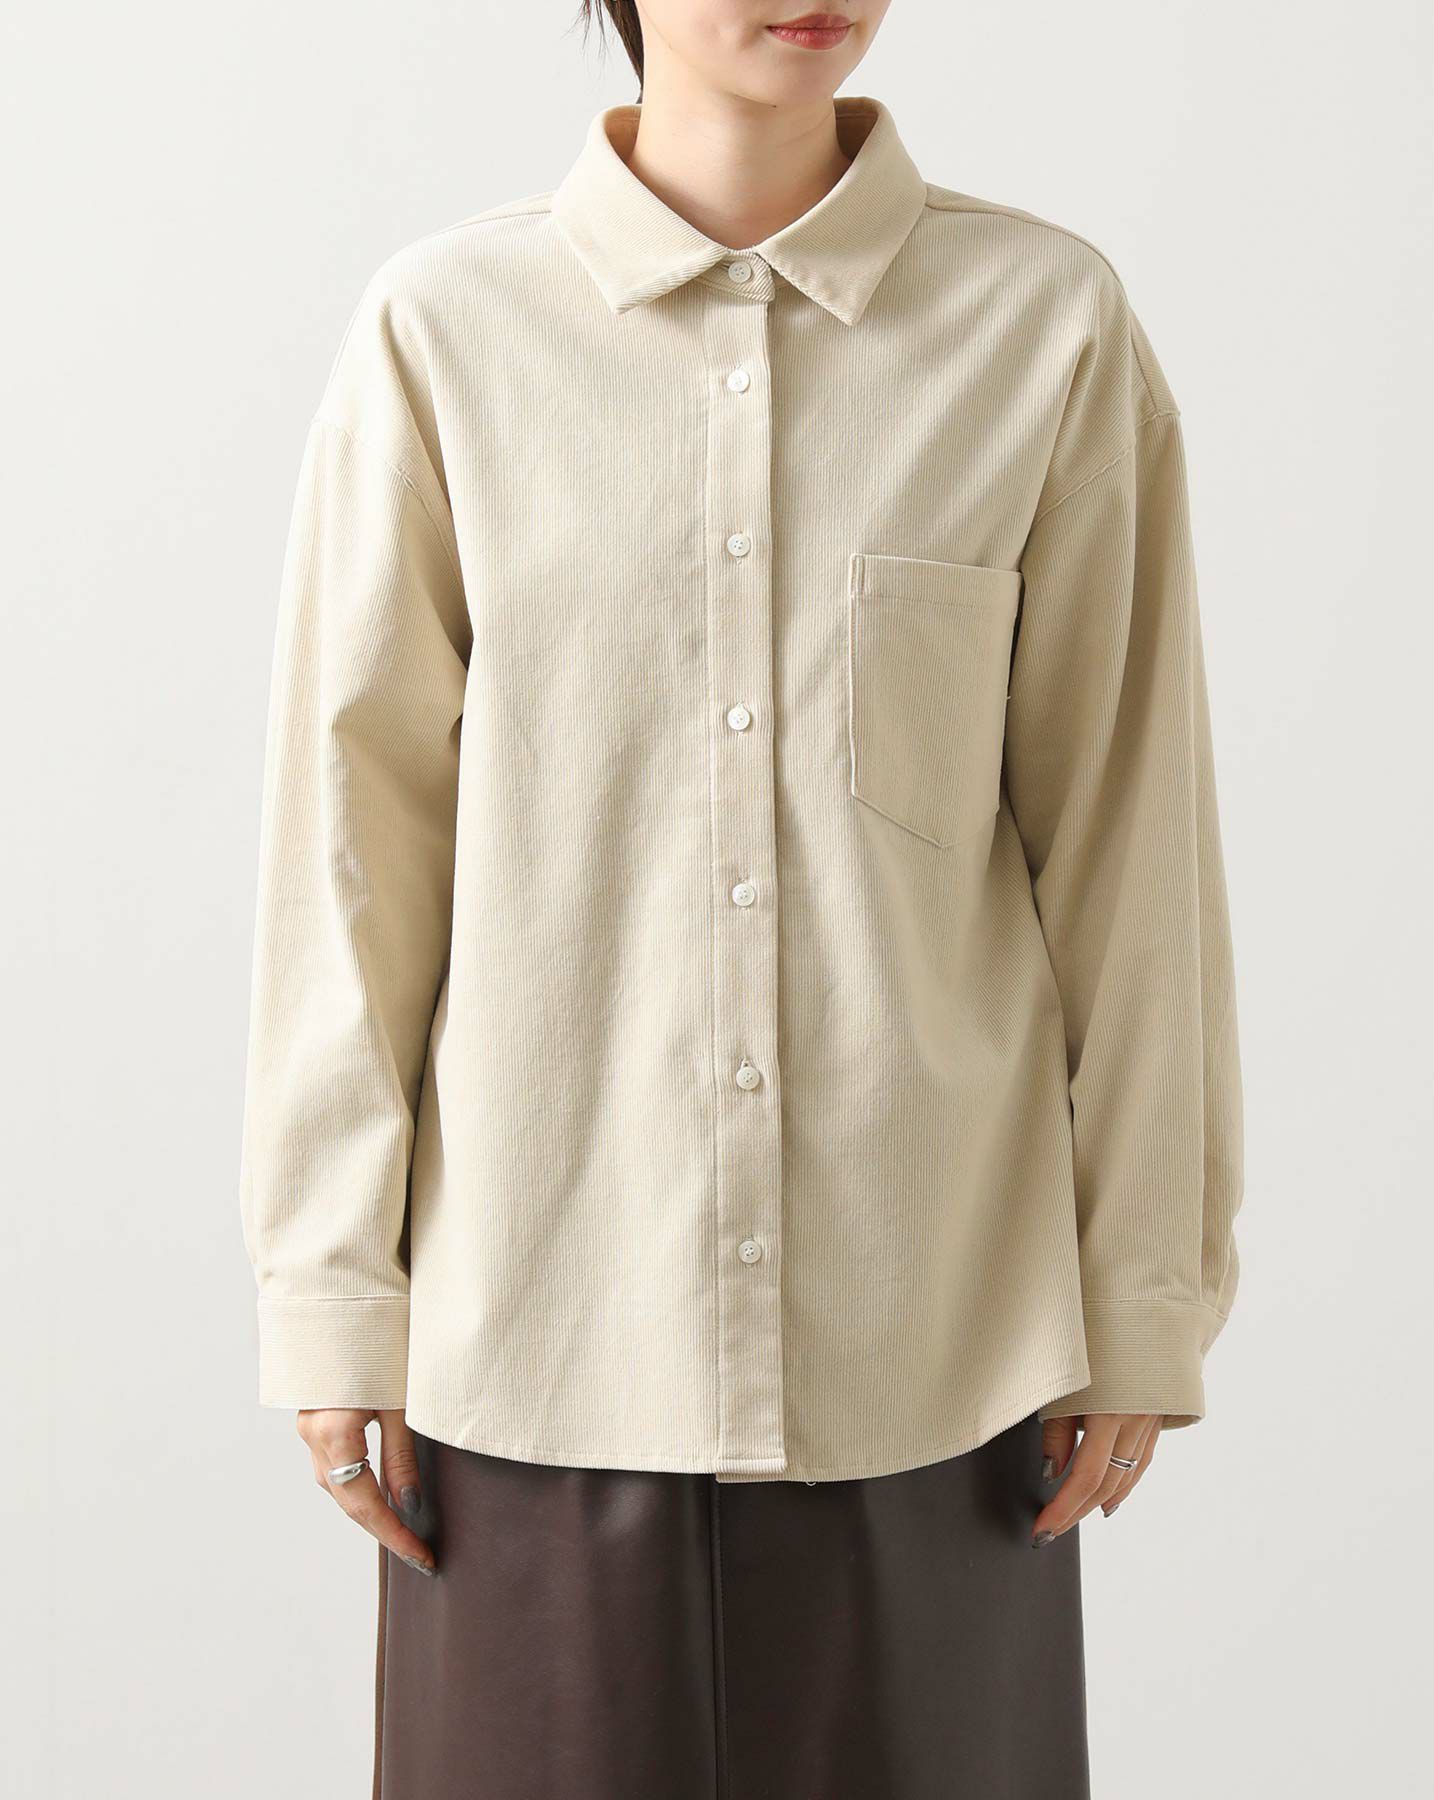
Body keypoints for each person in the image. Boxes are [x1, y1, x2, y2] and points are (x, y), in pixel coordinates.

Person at [238, 3, 1244, 1793]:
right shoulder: (446, 334)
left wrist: (1146, 1288)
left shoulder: (1046, 327)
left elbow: (1129, 841)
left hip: (935, 1356)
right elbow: (353, 850)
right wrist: (332, 1289)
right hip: (538, 1342)